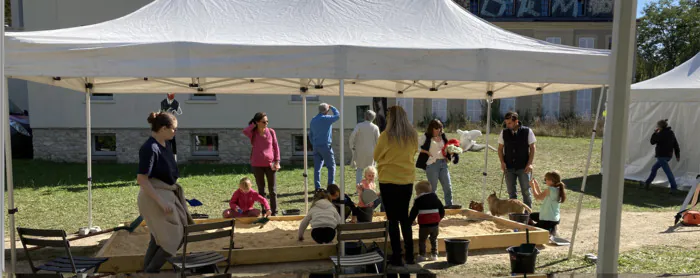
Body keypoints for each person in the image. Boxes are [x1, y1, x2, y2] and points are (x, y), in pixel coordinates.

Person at [136, 112, 193, 273]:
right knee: (175, 237)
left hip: (167, 193)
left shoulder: (166, 144)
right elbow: (142, 179)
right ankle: (151, 270)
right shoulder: (149, 148)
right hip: (154, 197)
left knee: (158, 238)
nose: (176, 132)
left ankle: (147, 271)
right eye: (173, 129)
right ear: (163, 128)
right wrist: (161, 202)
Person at [373, 105, 419, 266]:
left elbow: (376, 156)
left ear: (390, 118)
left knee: (392, 219)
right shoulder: (413, 135)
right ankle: (410, 255)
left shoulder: (386, 136)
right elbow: (413, 153)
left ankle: (397, 256)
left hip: (388, 180)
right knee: (404, 218)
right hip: (406, 180)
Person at [243, 112, 281, 215]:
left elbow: (276, 147)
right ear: (257, 122)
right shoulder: (253, 133)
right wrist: (253, 125)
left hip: (270, 165)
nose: (266, 123)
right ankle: (265, 210)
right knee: (261, 190)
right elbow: (245, 131)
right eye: (264, 122)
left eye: (267, 121)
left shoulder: (271, 132)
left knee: (272, 190)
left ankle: (274, 211)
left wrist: (277, 161)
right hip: (257, 165)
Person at [498, 111, 536, 208]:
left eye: (509, 123)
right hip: (509, 167)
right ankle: (514, 215)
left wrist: (530, 163)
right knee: (511, 194)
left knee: (526, 192)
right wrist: (502, 162)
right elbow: (500, 148)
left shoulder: (527, 131)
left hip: (523, 167)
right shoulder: (504, 132)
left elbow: (532, 147)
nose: (507, 125)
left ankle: (528, 216)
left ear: (516, 121)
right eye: (506, 123)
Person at [417, 119, 456, 207]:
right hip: (432, 165)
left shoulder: (443, 136)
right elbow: (416, 146)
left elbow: (447, 148)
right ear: (431, 128)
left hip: (443, 163)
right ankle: (432, 207)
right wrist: (426, 152)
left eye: (440, 128)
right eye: (436, 128)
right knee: (432, 189)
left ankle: (449, 206)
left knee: (448, 186)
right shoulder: (426, 136)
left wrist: (449, 154)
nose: (438, 130)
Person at [408, 180, 445, 262]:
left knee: (422, 240)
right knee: (434, 239)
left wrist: (410, 221)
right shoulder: (436, 199)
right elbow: (442, 210)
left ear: (419, 191)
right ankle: (434, 255)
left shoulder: (418, 201)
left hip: (424, 225)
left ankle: (422, 255)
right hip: (435, 224)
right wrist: (439, 219)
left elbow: (413, 212)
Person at [643, 119, 681, 194]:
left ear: (660, 127)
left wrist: (655, 133)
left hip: (661, 156)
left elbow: (652, 142)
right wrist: (677, 155)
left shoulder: (660, 134)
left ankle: (674, 188)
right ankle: (647, 183)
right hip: (668, 156)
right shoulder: (671, 133)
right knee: (654, 168)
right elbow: (675, 144)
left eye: (657, 126)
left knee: (668, 172)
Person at [310, 103, 340, 190]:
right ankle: (330, 186)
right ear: (326, 111)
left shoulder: (313, 120)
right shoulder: (326, 118)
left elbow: (310, 134)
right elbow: (337, 116)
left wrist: (314, 144)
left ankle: (317, 187)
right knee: (331, 167)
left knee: (317, 168)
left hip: (316, 146)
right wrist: (332, 107)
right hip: (325, 146)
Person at [528, 171, 566, 236]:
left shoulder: (550, 189)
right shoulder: (558, 189)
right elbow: (542, 197)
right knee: (531, 216)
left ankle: (550, 230)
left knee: (531, 228)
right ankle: (552, 228)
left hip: (547, 219)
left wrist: (532, 186)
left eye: (546, 179)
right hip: (555, 218)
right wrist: (536, 186)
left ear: (551, 181)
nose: (545, 181)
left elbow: (538, 197)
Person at [349, 110, 381, 185]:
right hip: (371, 151)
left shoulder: (359, 125)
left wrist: (352, 146)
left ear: (365, 116)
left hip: (360, 151)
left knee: (359, 169)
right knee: (371, 170)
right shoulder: (375, 127)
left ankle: (358, 187)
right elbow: (378, 140)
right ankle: (371, 186)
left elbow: (352, 136)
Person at [160, 93, 182, 159]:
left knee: (173, 141)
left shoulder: (176, 103)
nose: (172, 95)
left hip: (172, 124)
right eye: (170, 94)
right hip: (166, 124)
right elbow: (162, 112)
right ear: (167, 95)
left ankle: (174, 157)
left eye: (173, 94)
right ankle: (166, 155)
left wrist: (176, 110)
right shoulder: (163, 102)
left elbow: (180, 112)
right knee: (166, 140)